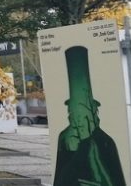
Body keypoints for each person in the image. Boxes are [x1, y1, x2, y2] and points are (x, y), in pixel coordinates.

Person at [52, 46, 126, 186]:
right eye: (73, 112)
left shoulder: (105, 142)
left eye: (84, 112)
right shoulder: (65, 139)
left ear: (94, 112)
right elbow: (60, 179)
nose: (78, 119)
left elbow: (116, 181)